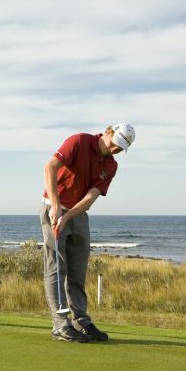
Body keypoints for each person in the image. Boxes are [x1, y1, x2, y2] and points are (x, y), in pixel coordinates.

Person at [41, 124, 135, 342]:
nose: (114, 150)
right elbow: (50, 168)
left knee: (78, 270)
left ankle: (81, 320)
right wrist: (56, 207)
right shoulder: (79, 141)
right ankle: (60, 324)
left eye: (120, 149)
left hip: (78, 215)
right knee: (56, 268)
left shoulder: (111, 165)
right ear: (108, 132)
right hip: (52, 208)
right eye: (114, 144)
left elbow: (91, 197)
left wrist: (69, 215)